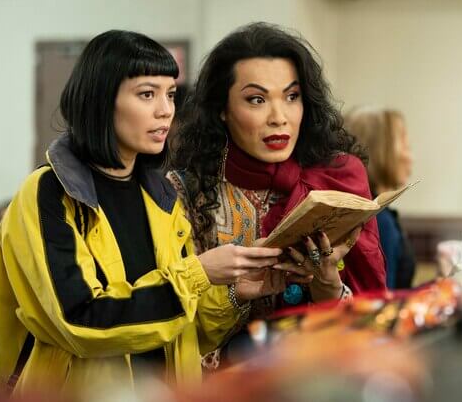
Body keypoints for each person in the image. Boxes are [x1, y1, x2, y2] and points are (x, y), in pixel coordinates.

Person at [0, 30, 287, 395]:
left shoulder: (159, 195)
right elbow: (81, 321)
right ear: (101, 101)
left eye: (171, 94)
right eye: (147, 94)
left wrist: (234, 294)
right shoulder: (50, 193)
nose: (165, 110)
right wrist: (197, 274)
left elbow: (180, 331)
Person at [169, 22, 387, 366]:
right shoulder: (183, 194)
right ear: (222, 109)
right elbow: (172, 333)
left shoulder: (336, 179)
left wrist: (327, 284)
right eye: (257, 99)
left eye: (292, 97)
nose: (279, 117)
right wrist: (235, 294)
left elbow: (367, 325)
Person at [344, 106, 416, 289]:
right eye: (405, 146)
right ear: (380, 152)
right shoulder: (379, 220)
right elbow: (382, 301)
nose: (411, 158)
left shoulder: (354, 212)